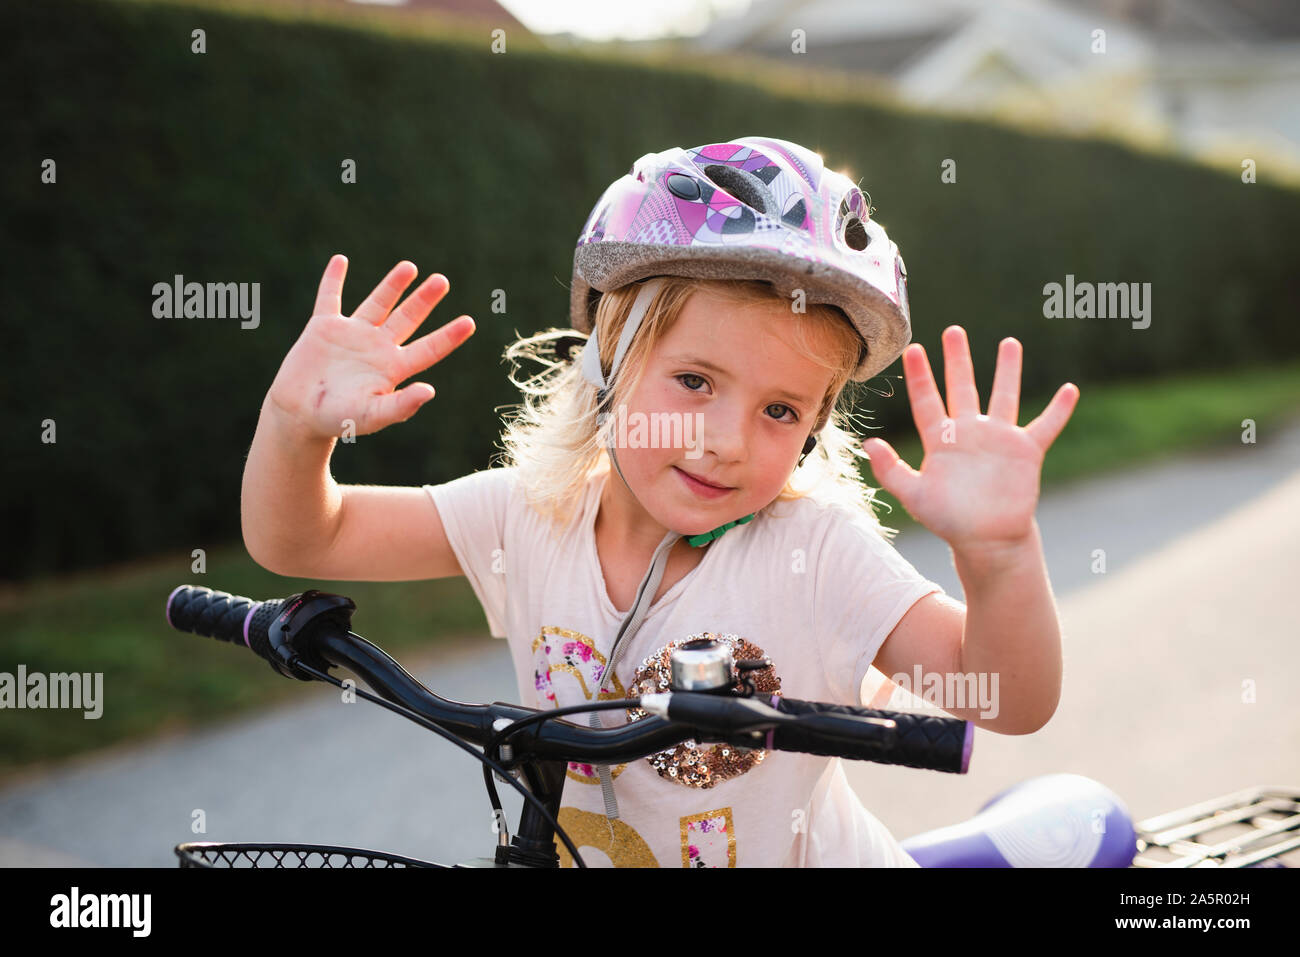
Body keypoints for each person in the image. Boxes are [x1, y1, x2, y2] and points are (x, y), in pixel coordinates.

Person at [241, 135, 1080, 868]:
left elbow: (1006, 696)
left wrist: (999, 555)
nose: (726, 438)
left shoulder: (814, 555)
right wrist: (293, 426)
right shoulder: (529, 516)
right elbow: (307, 538)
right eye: (693, 381)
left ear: (814, 430)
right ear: (609, 362)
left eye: (780, 410)